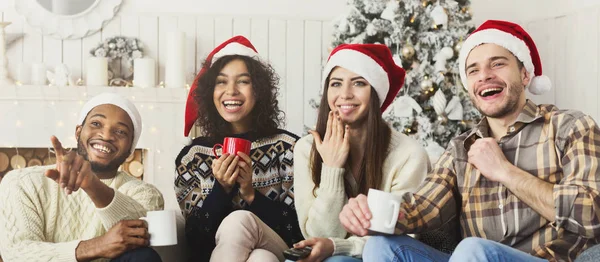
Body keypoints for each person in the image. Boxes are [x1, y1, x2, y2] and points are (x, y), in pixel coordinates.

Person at [339, 19, 600, 262]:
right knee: (380, 246)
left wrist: (505, 172)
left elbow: (591, 214)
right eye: (473, 70)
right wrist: (369, 213)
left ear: (524, 74)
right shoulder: (461, 148)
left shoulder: (569, 126)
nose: (484, 75)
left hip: (546, 258)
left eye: (497, 64)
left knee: (473, 248)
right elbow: (421, 207)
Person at [292, 43, 430, 262]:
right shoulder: (306, 149)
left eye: (358, 83)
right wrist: (332, 169)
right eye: (336, 84)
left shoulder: (409, 154)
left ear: (375, 92)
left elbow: (400, 237)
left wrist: (341, 247)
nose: (345, 94)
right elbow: (317, 235)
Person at [175, 35, 303, 262]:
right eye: (221, 82)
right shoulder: (192, 157)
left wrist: (251, 194)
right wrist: (220, 190)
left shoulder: (288, 149)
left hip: (283, 250)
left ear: (259, 90)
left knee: (239, 221)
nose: (231, 90)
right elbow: (194, 241)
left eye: (243, 81)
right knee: (261, 259)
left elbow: (300, 232)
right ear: (210, 92)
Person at [0, 93, 165, 262]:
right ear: (78, 132)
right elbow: (16, 253)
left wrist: (92, 185)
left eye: (120, 131)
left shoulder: (145, 194)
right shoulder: (23, 182)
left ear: (130, 148)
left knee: (143, 256)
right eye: (96, 123)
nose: (106, 135)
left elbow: (140, 237)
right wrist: (97, 246)